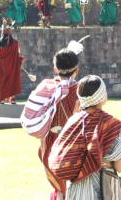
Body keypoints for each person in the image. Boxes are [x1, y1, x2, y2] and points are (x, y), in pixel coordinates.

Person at [48, 75, 121, 200]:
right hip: (104, 190)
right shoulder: (112, 125)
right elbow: (120, 168)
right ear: (102, 97)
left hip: (75, 190)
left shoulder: (72, 122)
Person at [21, 42, 86, 200]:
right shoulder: (81, 91)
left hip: (51, 144)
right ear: (77, 70)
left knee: (61, 190)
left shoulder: (46, 87)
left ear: (55, 70)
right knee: (75, 188)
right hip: (74, 145)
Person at [0, 20, 22, 104]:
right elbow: (18, 53)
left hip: (0, 66)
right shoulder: (15, 43)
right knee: (11, 80)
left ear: (3, 31)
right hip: (11, 66)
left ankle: (1, 99)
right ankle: (12, 98)